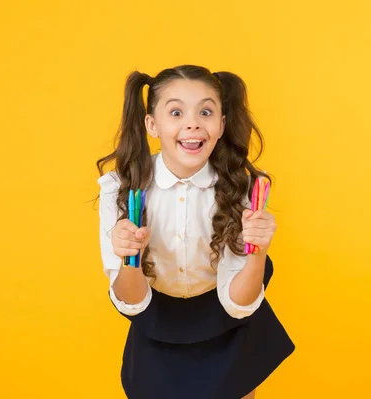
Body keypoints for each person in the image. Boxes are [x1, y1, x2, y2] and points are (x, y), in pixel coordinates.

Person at [96, 65, 295, 399]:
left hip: (228, 323)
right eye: (176, 112)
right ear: (152, 125)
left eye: (205, 111)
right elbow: (132, 303)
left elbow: (238, 304)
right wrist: (131, 257)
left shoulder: (240, 189)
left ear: (221, 125)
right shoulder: (120, 189)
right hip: (157, 321)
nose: (192, 123)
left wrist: (257, 251)